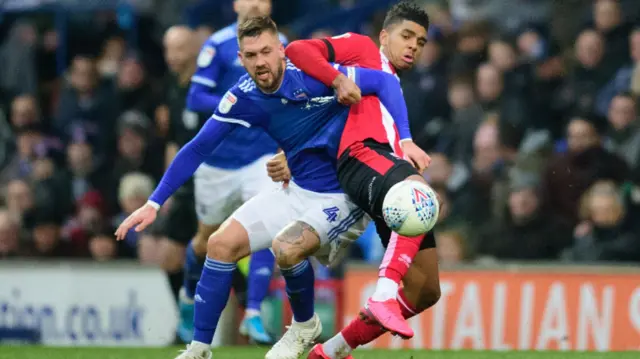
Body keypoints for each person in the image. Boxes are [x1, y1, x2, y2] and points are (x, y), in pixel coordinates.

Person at [114, 16, 411, 359]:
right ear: (241, 60)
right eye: (251, 55)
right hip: (296, 188)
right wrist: (153, 203)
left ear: (282, 51)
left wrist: (404, 141)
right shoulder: (244, 96)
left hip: (343, 193)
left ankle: (304, 327)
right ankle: (198, 349)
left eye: (266, 51)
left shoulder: (317, 75)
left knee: (285, 248)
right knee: (219, 244)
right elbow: (197, 147)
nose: (260, 61)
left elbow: (386, 84)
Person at [281, 2, 442, 357]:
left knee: (426, 289)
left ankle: (331, 351)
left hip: (386, 172)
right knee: (421, 195)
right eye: (406, 36)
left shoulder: (394, 87)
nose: (414, 45)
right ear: (384, 36)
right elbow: (295, 50)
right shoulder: (363, 49)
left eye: (421, 41)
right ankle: (384, 293)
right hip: (361, 157)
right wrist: (338, 78)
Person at [179, 0, 288, 344]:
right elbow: (196, 98)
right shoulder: (217, 44)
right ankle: (187, 295)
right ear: (235, 4)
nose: (256, 1)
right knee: (204, 241)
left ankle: (252, 313)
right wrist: (239, 104)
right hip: (217, 162)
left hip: (259, 156)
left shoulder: (281, 42)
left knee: (267, 228)